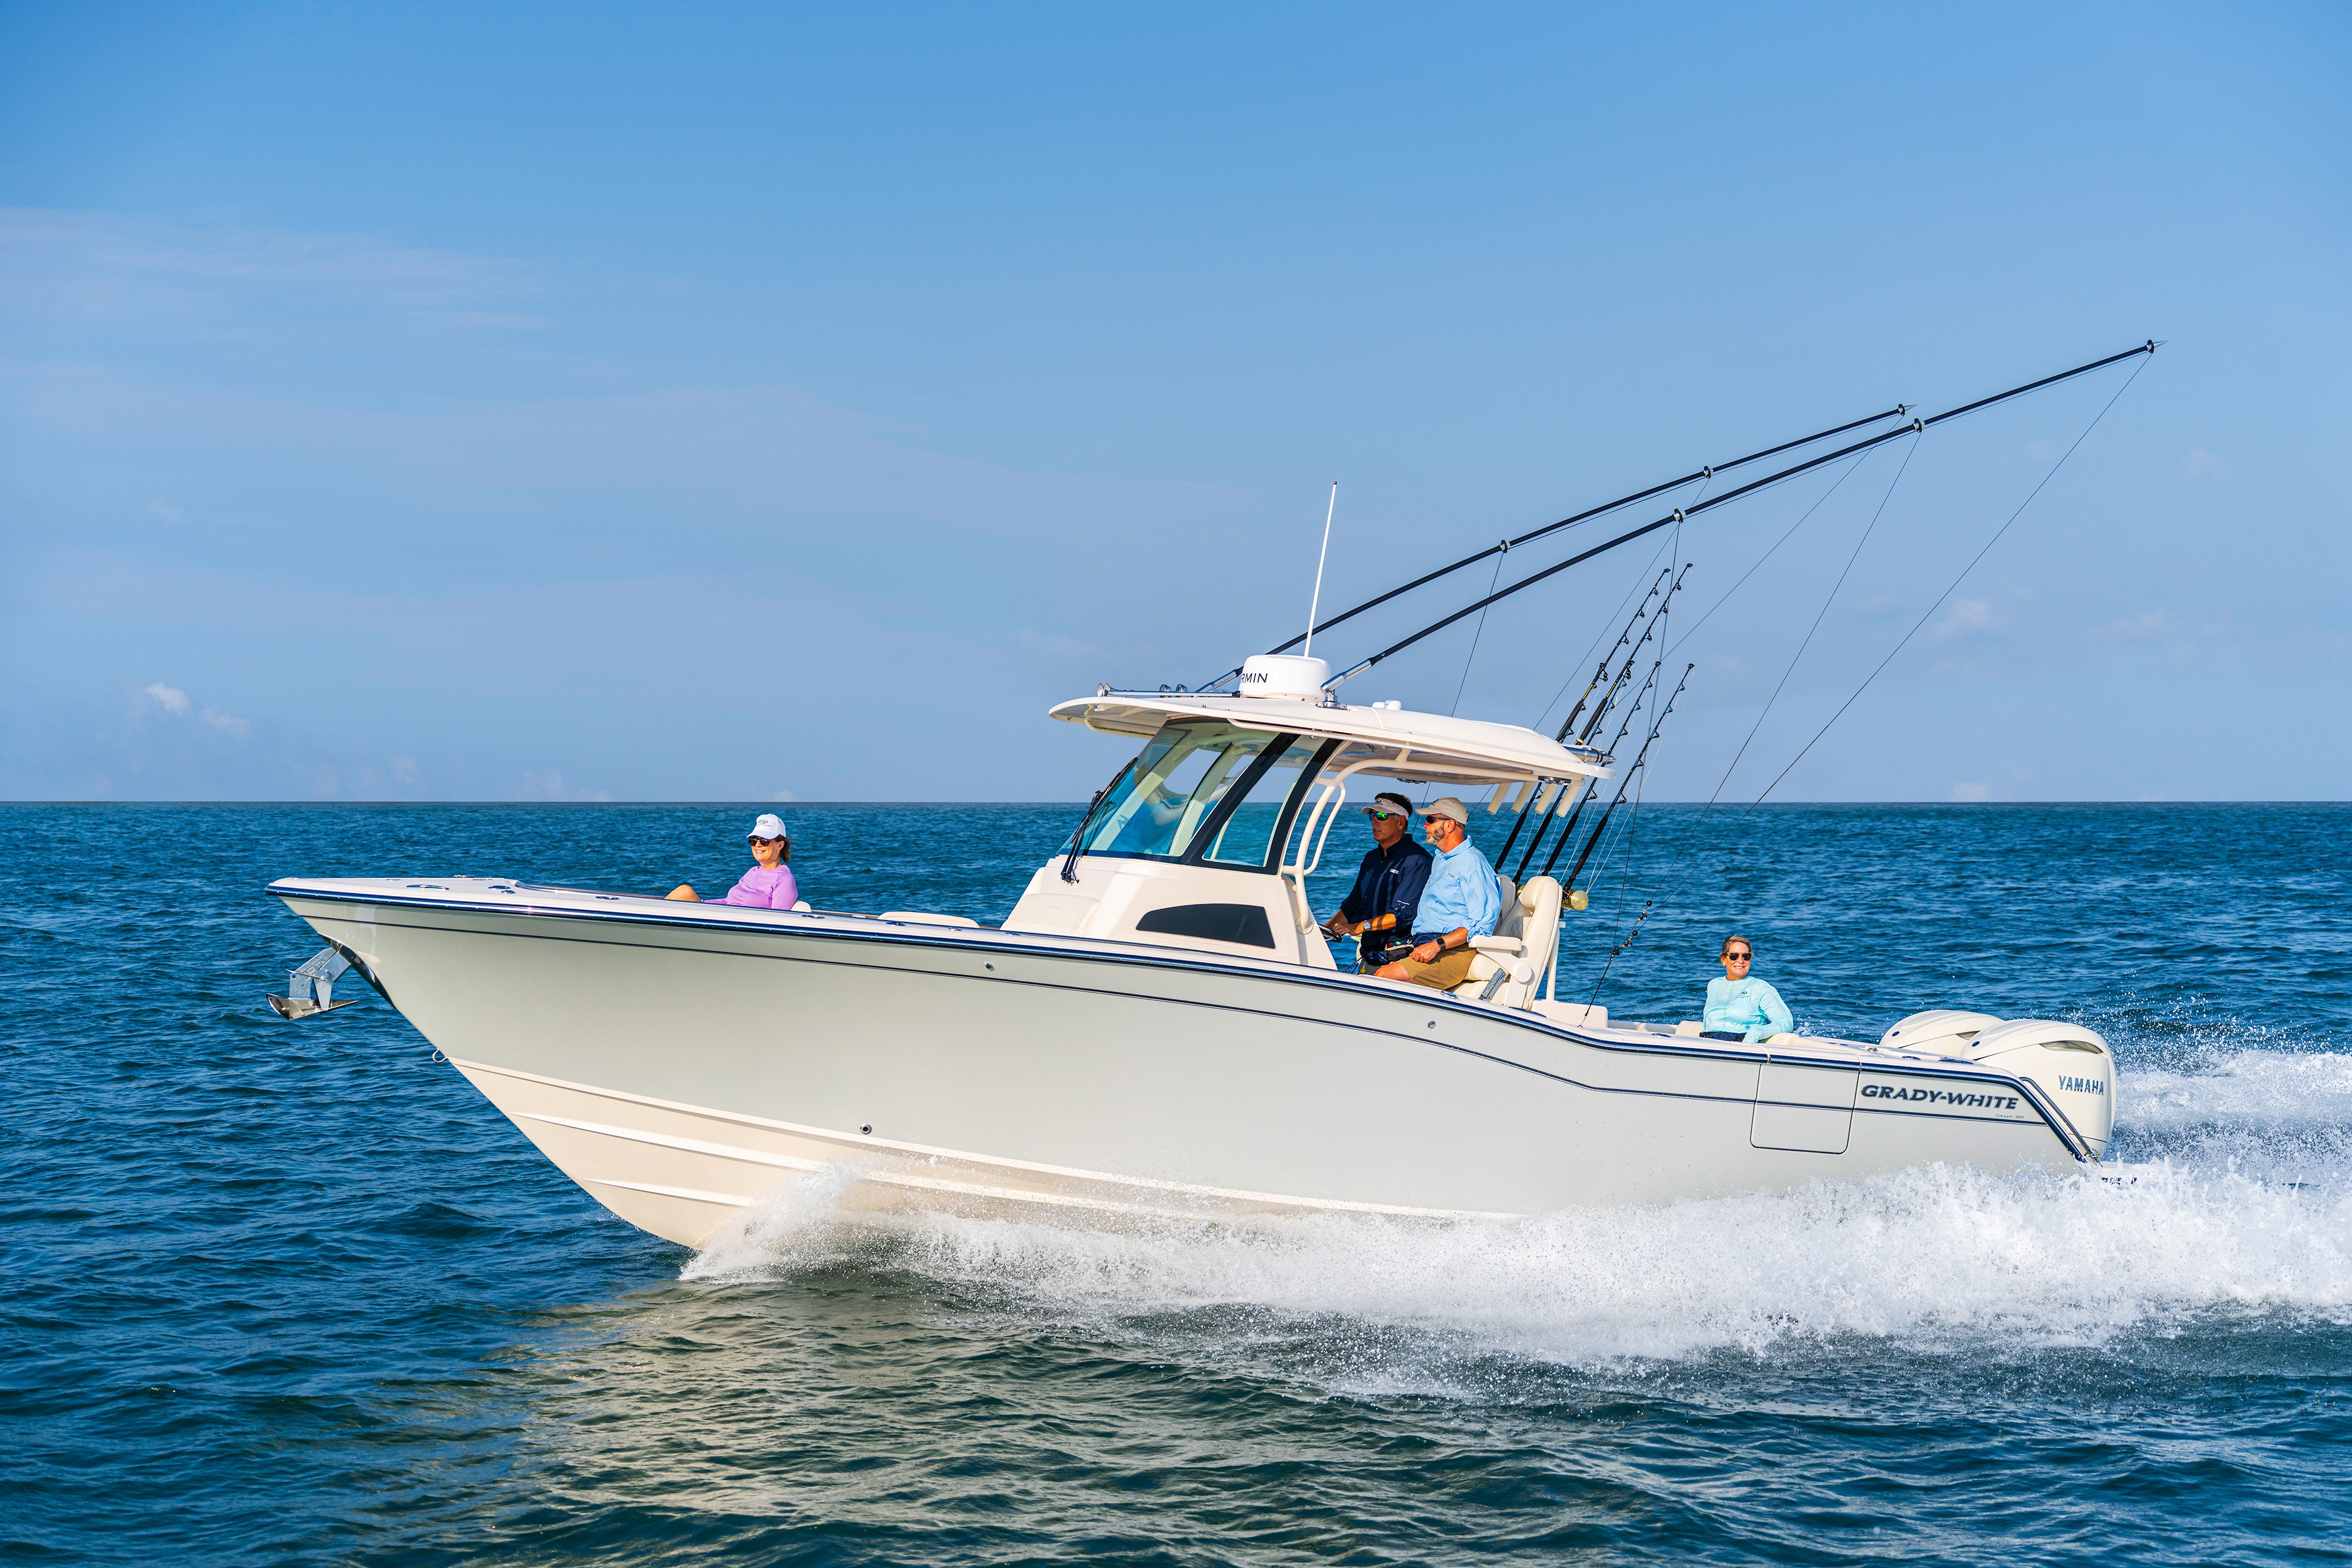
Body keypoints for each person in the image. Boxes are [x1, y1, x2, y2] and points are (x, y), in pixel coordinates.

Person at [1375, 797, 1503, 990]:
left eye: (1432, 820)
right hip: (1427, 944)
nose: (1425, 825)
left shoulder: (1473, 863)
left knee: (1384, 976)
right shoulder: (1441, 861)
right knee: (1370, 969)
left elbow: (1483, 922)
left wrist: (1437, 945)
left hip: (1455, 951)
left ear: (1450, 825)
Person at [1320, 791, 1432, 973]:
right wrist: (1321, 934)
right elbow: (1352, 907)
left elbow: (1400, 916)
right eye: (1372, 816)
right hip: (1370, 957)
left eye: (1381, 816)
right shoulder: (1371, 858)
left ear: (1401, 822)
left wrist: (1359, 927)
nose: (1374, 821)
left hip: (1398, 960)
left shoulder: (1419, 861)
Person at [668, 813, 801, 908]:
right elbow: (729, 902)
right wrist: (703, 904)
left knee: (685, 892)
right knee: (684, 892)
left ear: (780, 845)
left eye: (765, 841)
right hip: (727, 918)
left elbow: (777, 921)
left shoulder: (784, 879)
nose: (758, 845)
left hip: (740, 928)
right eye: (753, 840)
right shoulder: (753, 871)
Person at [1701, 935, 1793, 1042]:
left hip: (1742, 1046)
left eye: (1746, 956)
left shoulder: (1761, 988)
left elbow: (1786, 1021)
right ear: (1723, 959)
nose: (1741, 961)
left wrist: (1756, 1033)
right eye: (1734, 956)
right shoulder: (1714, 984)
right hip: (1708, 1042)